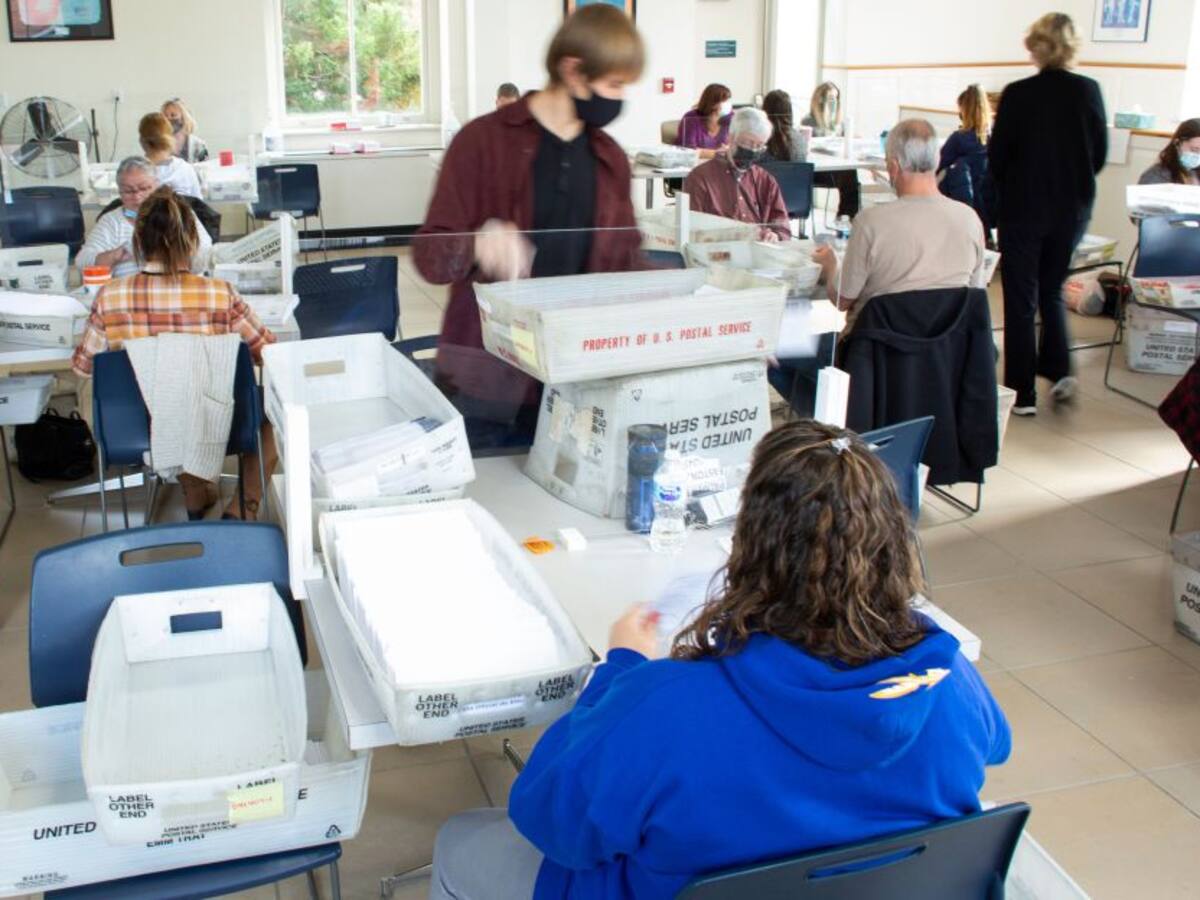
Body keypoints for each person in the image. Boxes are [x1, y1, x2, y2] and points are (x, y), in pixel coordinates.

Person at [428, 419, 1012, 900]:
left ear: (750, 549)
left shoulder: (668, 705)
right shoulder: (946, 676)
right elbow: (996, 746)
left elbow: (550, 818)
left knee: (461, 841)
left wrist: (623, 668)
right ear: (889, 549)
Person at [413, 5, 646, 438]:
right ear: (573, 71)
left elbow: (627, 264)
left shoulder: (610, 159)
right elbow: (430, 255)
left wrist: (711, 314)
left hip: (580, 375)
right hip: (488, 377)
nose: (619, 99)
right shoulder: (482, 142)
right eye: (613, 84)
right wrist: (477, 244)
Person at [72, 187, 275, 521]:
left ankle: (195, 490)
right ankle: (243, 508)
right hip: (217, 425)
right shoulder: (218, 294)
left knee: (167, 396)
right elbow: (267, 354)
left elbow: (84, 366)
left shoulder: (111, 296)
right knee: (274, 412)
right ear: (192, 241)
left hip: (134, 426)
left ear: (138, 241)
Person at [990, 12, 1107, 416]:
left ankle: (1022, 394)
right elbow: (1100, 155)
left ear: (1037, 46)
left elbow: (998, 157)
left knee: (1021, 298)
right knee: (1052, 289)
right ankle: (1059, 369)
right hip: (1071, 209)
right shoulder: (1088, 91)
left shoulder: (1019, 94)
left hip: (1023, 209)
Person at [813, 119, 985, 333]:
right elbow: (975, 295)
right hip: (945, 354)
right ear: (937, 158)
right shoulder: (970, 219)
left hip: (876, 354)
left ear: (893, 167)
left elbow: (842, 299)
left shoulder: (871, 222)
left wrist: (831, 265)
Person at [75, 157, 212, 279]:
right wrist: (117, 255)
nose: (137, 197)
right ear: (119, 191)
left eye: (144, 188)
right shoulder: (112, 221)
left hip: (179, 285)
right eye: (128, 191)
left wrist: (176, 249)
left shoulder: (178, 213)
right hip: (129, 294)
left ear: (157, 186)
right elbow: (82, 263)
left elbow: (204, 254)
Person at [683, 107, 791, 241]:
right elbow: (691, 231)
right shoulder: (700, 178)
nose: (753, 150)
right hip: (717, 254)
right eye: (747, 143)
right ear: (730, 137)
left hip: (759, 252)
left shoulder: (765, 179)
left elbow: (782, 225)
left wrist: (775, 235)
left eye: (759, 146)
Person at [802, 81, 860, 219]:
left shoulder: (840, 123)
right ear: (820, 100)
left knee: (851, 174)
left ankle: (847, 217)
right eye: (830, 98)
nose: (833, 102)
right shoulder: (809, 121)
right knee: (848, 176)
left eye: (836, 98)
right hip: (818, 171)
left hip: (835, 168)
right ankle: (846, 216)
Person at [938, 84, 992, 225]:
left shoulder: (958, 139)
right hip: (989, 209)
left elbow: (936, 168)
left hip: (962, 207)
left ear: (964, 111)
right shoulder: (994, 139)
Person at [138, 112, 203, 198]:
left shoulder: (133, 174)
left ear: (142, 140)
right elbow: (199, 205)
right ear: (169, 138)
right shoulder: (184, 169)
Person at [676, 83, 732, 160]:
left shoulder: (730, 117)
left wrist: (729, 149)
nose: (727, 104)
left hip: (721, 164)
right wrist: (718, 153)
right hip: (696, 164)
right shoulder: (691, 118)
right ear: (712, 103)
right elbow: (689, 151)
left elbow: (735, 145)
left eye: (728, 100)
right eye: (723, 101)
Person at [1139, 118, 1200, 185]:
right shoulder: (1156, 176)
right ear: (1177, 144)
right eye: (1194, 150)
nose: (1198, 155)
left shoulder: (1195, 172)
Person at [762, 88, 808, 162]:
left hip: (766, 173)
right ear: (789, 111)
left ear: (764, 110)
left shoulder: (760, 140)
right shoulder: (800, 139)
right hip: (795, 174)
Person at [161, 98, 210, 164]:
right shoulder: (158, 144)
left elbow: (205, 169)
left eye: (173, 115)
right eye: (165, 116)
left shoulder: (199, 144)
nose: (168, 119)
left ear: (183, 118)